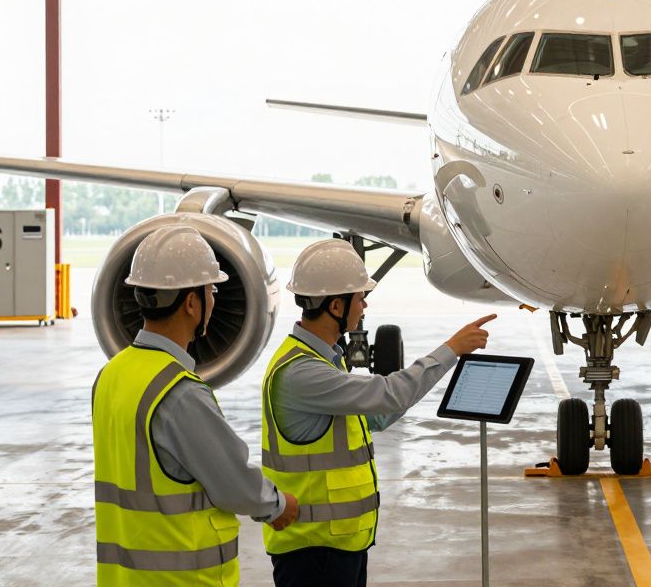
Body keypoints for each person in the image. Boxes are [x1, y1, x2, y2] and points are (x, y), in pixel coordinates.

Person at [261, 238, 495, 587]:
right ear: (336, 306)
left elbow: (378, 414)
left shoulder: (323, 363)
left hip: (340, 545)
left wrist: (414, 389)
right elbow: (387, 394)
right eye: (360, 298)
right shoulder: (303, 373)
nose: (365, 306)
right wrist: (450, 350)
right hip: (314, 553)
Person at [92, 224, 300, 586]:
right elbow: (234, 483)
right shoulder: (179, 392)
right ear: (191, 303)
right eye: (211, 290)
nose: (214, 300)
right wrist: (278, 506)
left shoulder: (110, 376)